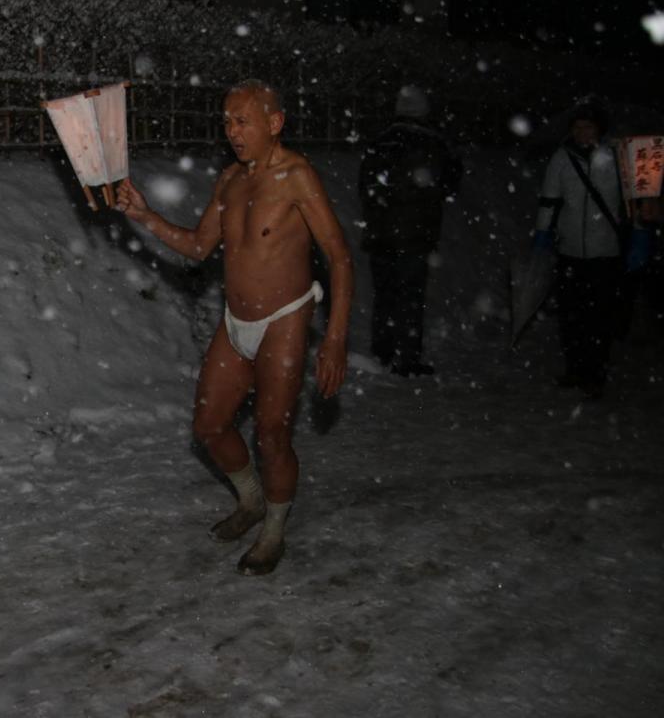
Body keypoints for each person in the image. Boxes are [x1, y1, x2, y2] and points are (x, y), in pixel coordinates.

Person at [115, 80, 353, 576]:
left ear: (275, 123)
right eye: (226, 121)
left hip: (285, 318)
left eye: (242, 121)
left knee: (271, 433)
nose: (232, 131)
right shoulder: (229, 180)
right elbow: (198, 246)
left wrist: (334, 339)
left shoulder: (297, 176)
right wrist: (143, 214)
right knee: (209, 426)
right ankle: (251, 500)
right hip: (236, 319)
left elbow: (339, 257)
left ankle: (274, 529)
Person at [357, 85, 462, 377]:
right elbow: (449, 184)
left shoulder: (380, 142)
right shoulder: (434, 144)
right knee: (410, 297)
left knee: (385, 295)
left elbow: (365, 186)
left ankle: (383, 351)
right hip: (415, 234)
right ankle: (407, 356)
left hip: (381, 235)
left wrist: (381, 210)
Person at [533, 99, 624, 399]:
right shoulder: (562, 157)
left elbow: (634, 199)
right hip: (570, 250)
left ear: (600, 129)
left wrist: (639, 233)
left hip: (606, 252)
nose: (582, 132)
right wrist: (543, 232)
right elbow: (549, 198)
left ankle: (595, 373)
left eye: (588, 127)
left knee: (599, 316)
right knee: (571, 314)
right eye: (577, 127)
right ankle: (575, 368)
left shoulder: (616, 156)